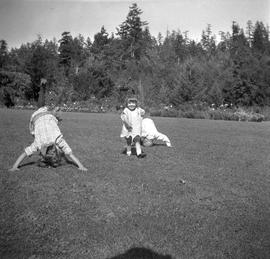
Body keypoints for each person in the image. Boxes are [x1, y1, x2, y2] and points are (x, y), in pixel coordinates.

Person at [9, 106, 88, 171]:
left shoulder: (42, 142)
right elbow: (70, 154)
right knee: (40, 130)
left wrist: (14, 167)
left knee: (43, 128)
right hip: (40, 116)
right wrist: (81, 166)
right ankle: (54, 112)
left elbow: (70, 154)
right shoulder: (49, 141)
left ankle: (54, 112)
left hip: (43, 116)